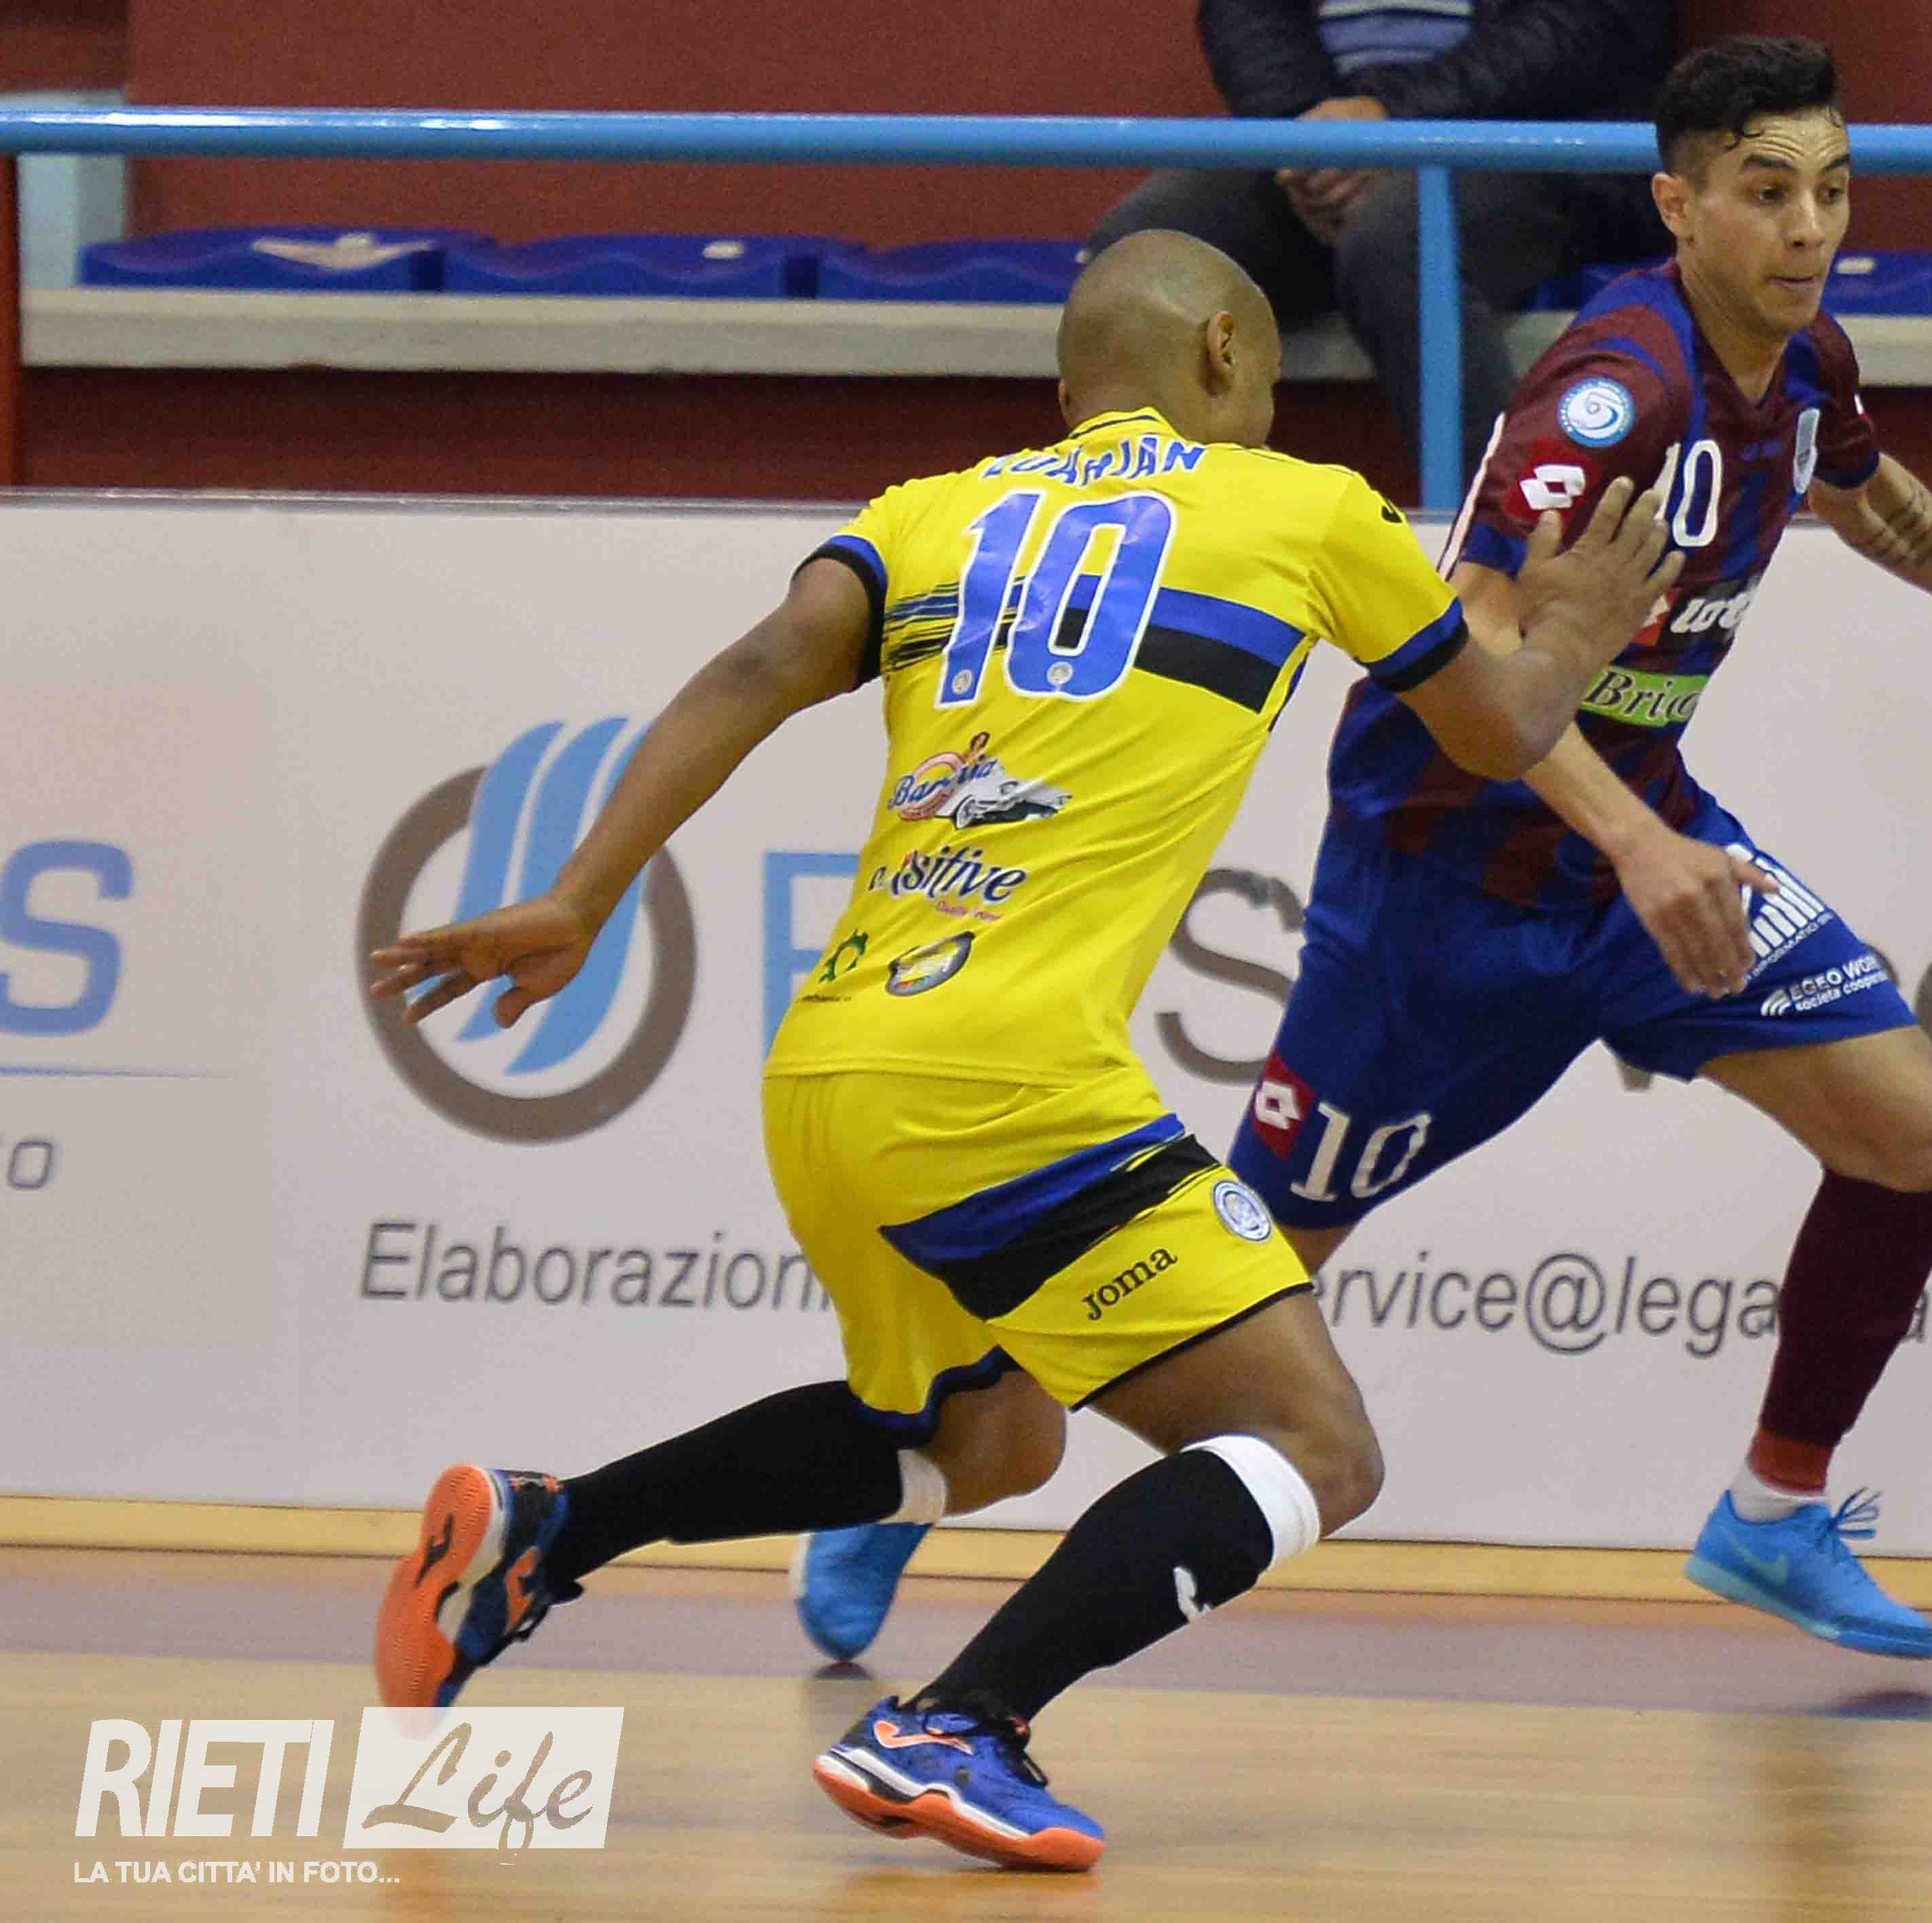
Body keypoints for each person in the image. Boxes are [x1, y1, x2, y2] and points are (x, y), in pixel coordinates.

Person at [794, 35, 1932, 1670]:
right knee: (1229, 1281)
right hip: (1444, 885)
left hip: (1643, 841)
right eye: (1766, 192)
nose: (1808, 227)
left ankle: (1775, 1510)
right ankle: (915, 1463)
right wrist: (1636, 844)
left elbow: (1861, 486)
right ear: (1677, 205)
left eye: (1830, 189)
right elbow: (1473, 642)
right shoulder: (1617, 389)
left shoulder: (1806, 357)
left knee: (1921, 1138)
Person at [364, 228, 1680, 1873]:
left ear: (1069, 394)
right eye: (1271, 370)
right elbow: (1499, 731)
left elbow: (757, 666)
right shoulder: (1307, 511)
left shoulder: (929, 511)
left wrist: (579, 895)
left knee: (983, 1439)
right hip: (1008, 1083)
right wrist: (1576, 630)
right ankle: (959, 1722)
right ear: (1223, 353)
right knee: (1315, 1445)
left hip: (836, 1068)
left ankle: (547, 1534)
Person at [1095, 0, 1677, 474]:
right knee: (1146, 250)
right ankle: (1150, 537)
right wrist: (1311, 146)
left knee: (1401, 239)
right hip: (1320, 139)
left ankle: (1505, 548)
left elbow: (1593, 24)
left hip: (1535, 144)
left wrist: (1394, 121)